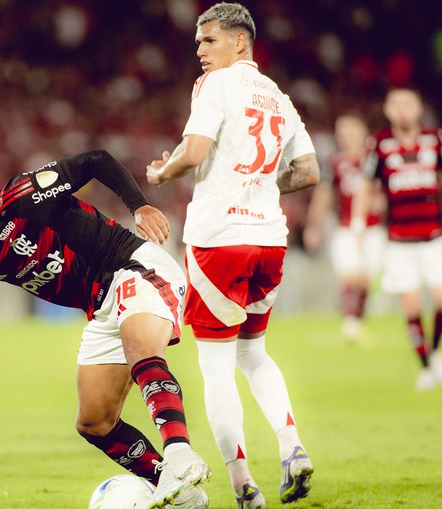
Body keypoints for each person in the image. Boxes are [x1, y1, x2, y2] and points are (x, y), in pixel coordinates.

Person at [0, 150, 210, 509]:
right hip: (101, 307)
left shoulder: (20, 198)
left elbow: (95, 161)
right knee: (94, 423)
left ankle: (180, 454)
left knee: (141, 351)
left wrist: (140, 206)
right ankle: (183, 493)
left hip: (131, 266)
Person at [145, 3, 320, 507]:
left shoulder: (215, 84)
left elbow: (195, 152)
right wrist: (258, 184)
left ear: (239, 41)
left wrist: (161, 173)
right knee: (254, 353)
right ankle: (292, 447)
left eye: (210, 40)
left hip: (218, 241)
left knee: (217, 365)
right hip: (269, 241)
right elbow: (308, 172)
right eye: (199, 43)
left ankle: (243, 485)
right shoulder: (279, 97)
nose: (200, 51)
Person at [352, 87, 442, 391]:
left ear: (419, 108)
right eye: (396, 104)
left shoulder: (435, 139)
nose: (402, 110)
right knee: (412, 307)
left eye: (408, 104)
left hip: (433, 237)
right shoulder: (379, 144)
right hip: (399, 242)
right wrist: (359, 224)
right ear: (387, 109)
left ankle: (434, 350)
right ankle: (425, 367)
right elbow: (364, 185)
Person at [303, 114, 386, 342]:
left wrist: (384, 202)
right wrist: (314, 225)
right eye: (341, 132)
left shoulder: (377, 160)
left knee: (365, 279)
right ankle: (350, 324)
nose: (345, 136)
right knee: (350, 276)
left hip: (374, 229)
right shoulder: (335, 162)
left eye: (350, 131)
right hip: (347, 228)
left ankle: (355, 322)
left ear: (362, 131)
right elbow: (323, 195)